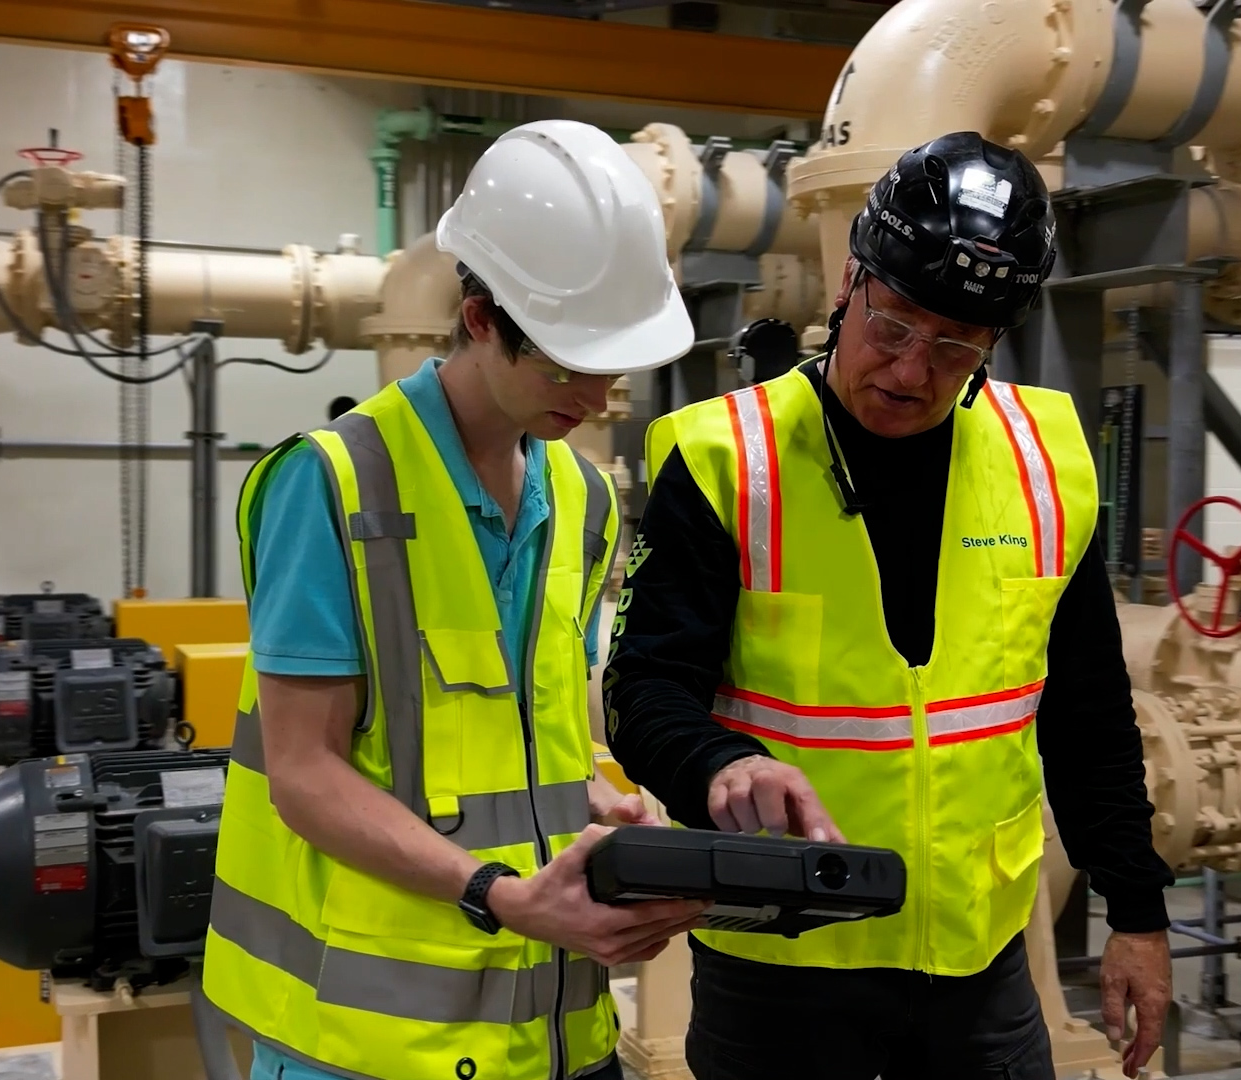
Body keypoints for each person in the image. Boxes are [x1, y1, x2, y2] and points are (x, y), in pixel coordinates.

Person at [603, 131, 1176, 1080]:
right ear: (848, 282)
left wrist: (1138, 914)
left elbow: (1089, 718)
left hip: (979, 967)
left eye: (956, 346)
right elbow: (644, 690)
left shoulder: (1046, 464)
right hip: (781, 962)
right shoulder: (724, 459)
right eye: (896, 326)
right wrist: (720, 764)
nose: (912, 372)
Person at [203, 119, 707, 1080]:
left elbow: (514, 735)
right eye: (569, 363)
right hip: (366, 1042)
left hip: (556, 1031)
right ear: (480, 319)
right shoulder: (333, 487)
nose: (597, 397)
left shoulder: (585, 501)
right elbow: (302, 771)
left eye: (614, 368)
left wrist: (596, 804)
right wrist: (501, 895)